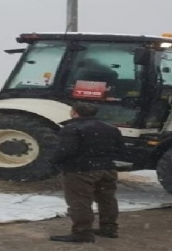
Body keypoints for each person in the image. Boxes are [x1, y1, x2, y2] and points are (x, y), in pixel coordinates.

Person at [48, 102, 125, 243]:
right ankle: (109, 228)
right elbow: (120, 149)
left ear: (74, 112)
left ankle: (82, 233)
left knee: (80, 202)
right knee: (107, 200)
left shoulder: (71, 128)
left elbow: (66, 151)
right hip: (107, 168)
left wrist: (53, 162)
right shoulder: (111, 128)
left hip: (80, 170)